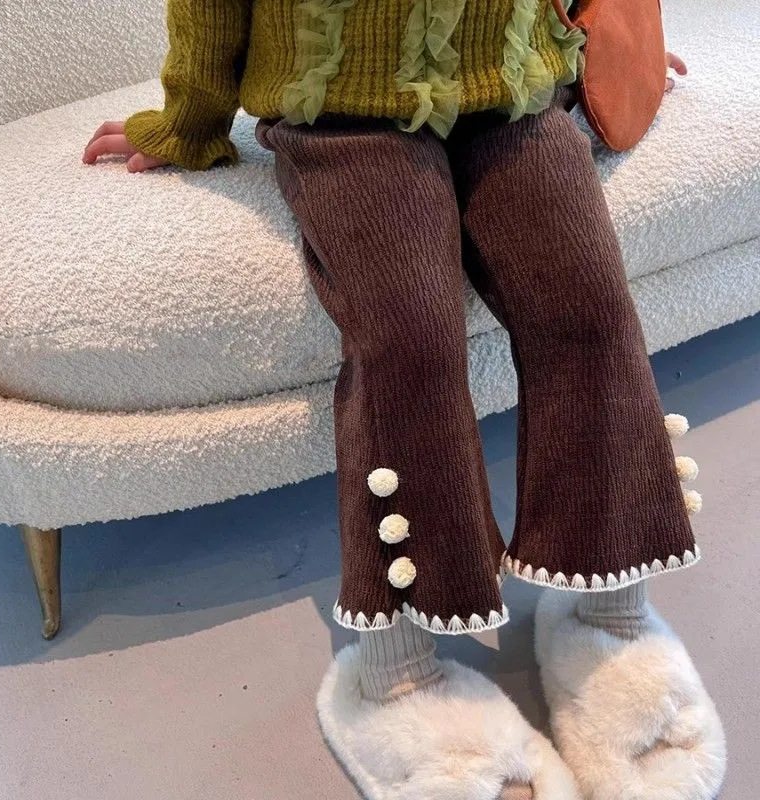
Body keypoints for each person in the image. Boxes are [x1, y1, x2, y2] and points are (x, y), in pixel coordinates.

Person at [83, 2, 725, 797]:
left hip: (516, 87)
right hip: (341, 112)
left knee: (589, 310)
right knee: (411, 341)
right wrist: (189, 120)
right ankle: (394, 673)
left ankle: (613, 621)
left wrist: (618, 55)